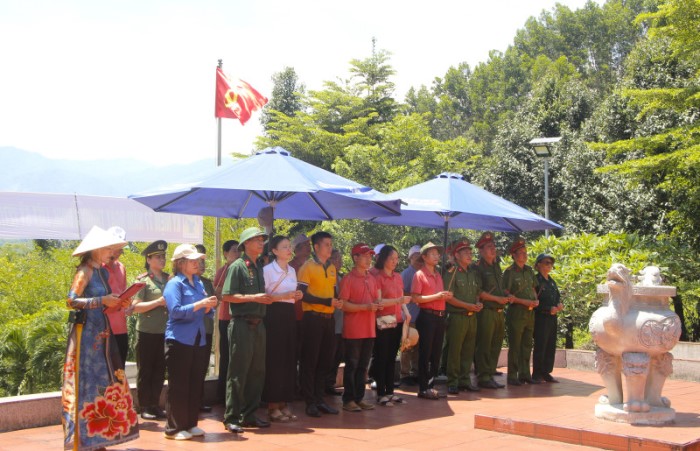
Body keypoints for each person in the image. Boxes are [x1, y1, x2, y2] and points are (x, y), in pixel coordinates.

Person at [62, 225, 139, 450]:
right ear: (97, 250)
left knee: (107, 381)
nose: (112, 252)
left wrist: (118, 302)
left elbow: (106, 301)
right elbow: (70, 301)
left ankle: (100, 439)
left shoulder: (103, 272)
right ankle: (83, 438)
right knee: (86, 383)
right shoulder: (84, 271)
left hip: (104, 333)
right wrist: (101, 301)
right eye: (108, 249)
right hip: (86, 336)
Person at [162, 244, 217, 440]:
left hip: (199, 338)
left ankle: (190, 423)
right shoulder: (174, 284)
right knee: (179, 384)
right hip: (179, 339)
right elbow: (175, 311)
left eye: (197, 260)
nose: (197, 263)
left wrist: (209, 307)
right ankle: (173, 428)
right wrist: (200, 304)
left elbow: (206, 313)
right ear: (180, 263)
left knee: (195, 383)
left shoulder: (200, 283)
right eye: (192, 260)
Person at [221, 227, 272, 433]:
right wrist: (253, 298)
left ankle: (249, 415)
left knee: (257, 371)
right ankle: (231, 416)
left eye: (262, 240)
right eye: (256, 240)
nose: (261, 243)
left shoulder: (259, 266)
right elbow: (227, 296)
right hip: (241, 324)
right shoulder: (237, 266)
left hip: (259, 324)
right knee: (238, 372)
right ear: (245, 244)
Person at [297, 231, 343, 417]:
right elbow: (302, 295)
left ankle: (319, 398)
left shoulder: (332, 267)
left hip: (328, 319)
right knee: (310, 360)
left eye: (331, 244)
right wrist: (327, 302)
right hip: (312, 318)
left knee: (325, 360)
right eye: (326, 244)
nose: (329, 248)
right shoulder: (307, 267)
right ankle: (309, 402)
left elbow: (332, 292)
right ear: (316, 247)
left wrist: (336, 301)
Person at [262, 235, 303, 422]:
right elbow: (265, 297)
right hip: (274, 314)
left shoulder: (292, 270)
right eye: (284, 247)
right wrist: (283, 295)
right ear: (274, 251)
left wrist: (297, 295)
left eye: (289, 246)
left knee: (288, 357)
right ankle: (272, 404)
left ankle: (284, 402)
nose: (288, 250)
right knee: (275, 358)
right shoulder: (268, 270)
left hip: (289, 313)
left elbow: (291, 293)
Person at [131, 239, 169, 421]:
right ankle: (145, 405)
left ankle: (155, 404)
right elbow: (135, 307)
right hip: (146, 332)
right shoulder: (142, 281)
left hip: (165, 330)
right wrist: (157, 302)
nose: (162, 260)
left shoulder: (169, 279)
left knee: (160, 369)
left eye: (163, 256)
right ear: (149, 259)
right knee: (146, 370)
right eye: (158, 257)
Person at [339, 243, 379, 412]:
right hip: (354, 329)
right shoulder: (348, 279)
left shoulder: (371, 278)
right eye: (365, 255)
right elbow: (343, 304)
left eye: (370, 256)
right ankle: (348, 399)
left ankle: (359, 397)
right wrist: (365, 308)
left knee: (363, 365)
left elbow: (376, 299)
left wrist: (377, 305)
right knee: (352, 364)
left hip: (370, 328)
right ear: (355, 258)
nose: (369, 259)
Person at [411, 242, 452, 400]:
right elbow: (416, 298)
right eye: (433, 254)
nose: (436, 256)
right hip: (427, 316)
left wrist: (446, 296)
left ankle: (431, 385)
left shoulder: (438, 274)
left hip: (440, 316)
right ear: (424, 257)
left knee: (436, 353)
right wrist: (437, 296)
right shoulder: (419, 275)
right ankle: (423, 388)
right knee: (425, 353)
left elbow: (440, 295)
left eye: (437, 254)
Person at [372, 245, 410, 406]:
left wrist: (406, 313)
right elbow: (379, 302)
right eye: (391, 258)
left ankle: (390, 391)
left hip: (397, 320)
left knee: (391, 357)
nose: (395, 261)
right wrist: (398, 302)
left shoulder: (397, 277)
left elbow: (401, 298)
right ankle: (381, 393)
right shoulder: (378, 277)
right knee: (381, 357)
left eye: (396, 258)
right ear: (383, 259)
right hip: (382, 320)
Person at [444, 239, 483, 395]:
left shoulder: (472, 273)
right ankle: (453, 381)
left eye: (470, 252)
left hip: (472, 317)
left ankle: (464, 380)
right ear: (457, 255)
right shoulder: (452, 273)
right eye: (465, 252)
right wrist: (466, 306)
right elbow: (448, 297)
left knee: (468, 350)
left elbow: (477, 293)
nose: (469, 254)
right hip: (457, 316)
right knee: (455, 350)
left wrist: (478, 303)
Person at [474, 232, 512, 389]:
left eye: (493, 246)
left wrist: (506, 294)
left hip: (499, 311)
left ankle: (490, 373)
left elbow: (499, 288)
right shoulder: (478, 268)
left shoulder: (496, 266)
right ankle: (483, 376)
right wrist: (497, 299)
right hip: (487, 312)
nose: (493, 249)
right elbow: (479, 291)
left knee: (496, 344)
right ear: (481, 251)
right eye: (489, 247)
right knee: (485, 344)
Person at [503, 238, 540, 386]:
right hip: (517, 312)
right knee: (515, 344)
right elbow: (506, 292)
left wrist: (535, 299)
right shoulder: (510, 272)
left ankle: (525, 374)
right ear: (514, 255)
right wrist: (522, 301)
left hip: (530, 312)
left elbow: (533, 288)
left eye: (526, 253)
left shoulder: (529, 270)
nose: (525, 255)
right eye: (521, 253)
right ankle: (512, 375)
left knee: (527, 344)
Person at [214, 239, 239, 403]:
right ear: (225, 253)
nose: (238, 254)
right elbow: (217, 294)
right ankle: (222, 395)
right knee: (226, 357)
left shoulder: (243, 269)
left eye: (239, 251)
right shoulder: (222, 271)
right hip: (226, 318)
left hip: (240, 318)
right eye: (234, 250)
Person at [532, 253, 563, 383]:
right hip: (541, 317)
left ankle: (546, 372)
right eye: (546, 262)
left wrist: (559, 305)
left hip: (552, 317)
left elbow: (557, 297)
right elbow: (534, 302)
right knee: (541, 344)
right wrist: (548, 309)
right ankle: (537, 373)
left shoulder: (551, 281)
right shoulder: (536, 280)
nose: (549, 265)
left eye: (551, 263)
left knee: (550, 345)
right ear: (538, 264)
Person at [103, 226, 129, 366]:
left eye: (121, 249)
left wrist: (126, 303)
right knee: (105, 374)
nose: (119, 252)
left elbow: (123, 292)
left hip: (121, 327)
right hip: (103, 328)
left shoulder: (121, 267)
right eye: (117, 248)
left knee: (119, 373)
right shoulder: (96, 268)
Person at [195, 244, 214, 412]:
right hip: (190, 331)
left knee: (202, 366)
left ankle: (199, 400)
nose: (202, 264)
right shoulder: (178, 281)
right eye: (198, 261)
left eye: (203, 261)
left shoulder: (207, 283)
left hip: (206, 330)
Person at [400, 245, 422, 386]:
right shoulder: (407, 273)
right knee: (407, 346)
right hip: (409, 315)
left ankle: (416, 372)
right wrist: (416, 296)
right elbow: (400, 293)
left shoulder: (423, 273)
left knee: (417, 346)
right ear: (410, 258)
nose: (419, 258)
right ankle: (404, 374)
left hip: (421, 316)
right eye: (416, 256)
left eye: (421, 256)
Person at [325, 248, 345, 396]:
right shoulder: (327, 276)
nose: (339, 261)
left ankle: (330, 383)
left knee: (337, 355)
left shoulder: (341, 277)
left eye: (340, 258)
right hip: (330, 323)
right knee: (329, 355)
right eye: (335, 258)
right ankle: (323, 385)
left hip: (341, 323)